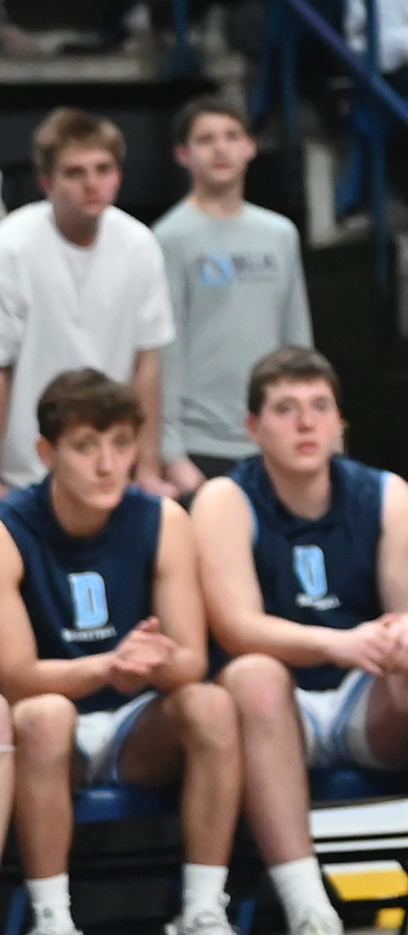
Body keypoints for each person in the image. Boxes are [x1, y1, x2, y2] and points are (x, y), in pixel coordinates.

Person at [192, 347, 408, 935]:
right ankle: (310, 909)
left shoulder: (385, 493)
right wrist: (335, 643)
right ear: (254, 428)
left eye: (319, 407)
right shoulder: (224, 499)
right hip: (278, 711)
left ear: (340, 421)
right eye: (285, 410)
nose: (306, 424)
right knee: (253, 674)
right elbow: (237, 626)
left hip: (366, 698)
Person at [0, 369, 238, 935]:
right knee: (45, 716)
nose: (108, 464)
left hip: (136, 724)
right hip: (54, 723)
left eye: (122, 444)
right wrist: (105, 666)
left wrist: (153, 663)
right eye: (86, 447)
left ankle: (204, 909)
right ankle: (53, 916)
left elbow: (190, 661)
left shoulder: (163, 519)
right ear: (46, 452)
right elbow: (14, 677)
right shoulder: (9, 529)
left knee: (211, 705)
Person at [0, 111, 174, 491]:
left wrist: (145, 468)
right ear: (46, 181)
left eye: (103, 169)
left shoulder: (140, 245)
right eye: (75, 172)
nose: (92, 183)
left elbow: (146, 363)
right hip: (26, 474)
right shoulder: (11, 246)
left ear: (119, 176)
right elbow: (0, 368)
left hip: (113, 471)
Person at [150, 101, 311, 496]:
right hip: (201, 444)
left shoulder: (279, 234)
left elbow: (297, 338)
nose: (220, 149)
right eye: (205, 140)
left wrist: (311, 422)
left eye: (231, 137)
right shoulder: (169, 238)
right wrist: (171, 454)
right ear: (182, 155)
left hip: (274, 436)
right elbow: (162, 352)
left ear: (250, 147)